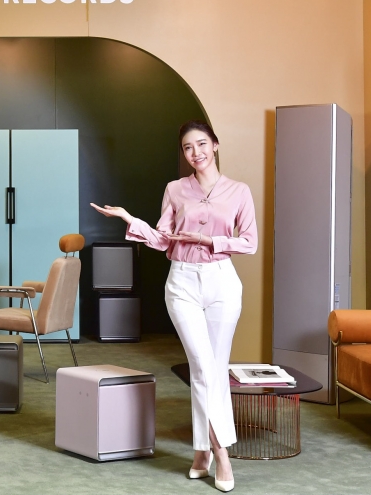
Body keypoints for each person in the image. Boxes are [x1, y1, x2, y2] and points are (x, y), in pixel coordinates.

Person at [91, 120, 256, 493]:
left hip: (222, 281)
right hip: (182, 282)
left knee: (211, 370)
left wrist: (210, 240)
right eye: (187, 147)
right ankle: (222, 454)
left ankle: (202, 452)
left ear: (215, 145)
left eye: (202, 144)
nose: (196, 152)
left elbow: (249, 242)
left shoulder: (239, 191)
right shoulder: (175, 189)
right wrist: (129, 219)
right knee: (202, 367)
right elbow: (164, 240)